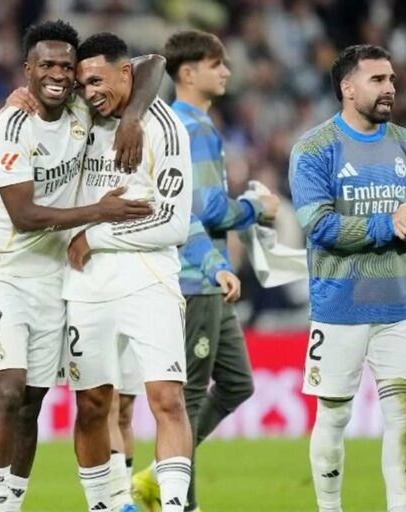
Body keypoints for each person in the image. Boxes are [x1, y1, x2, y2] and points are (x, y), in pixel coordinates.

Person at [0, 20, 166, 510]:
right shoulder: (11, 126)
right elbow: (25, 214)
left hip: (54, 280)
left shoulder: (80, 106)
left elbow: (154, 64)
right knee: (8, 392)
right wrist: (100, 212)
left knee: (32, 401)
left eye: (65, 66)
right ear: (27, 70)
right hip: (2, 276)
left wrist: (131, 118)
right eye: (46, 65)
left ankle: (9, 503)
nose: (57, 74)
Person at [288, 44, 406, 512]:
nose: (390, 88)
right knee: (333, 416)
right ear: (347, 88)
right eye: (377, 80)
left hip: (399, 304)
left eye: (391, 79)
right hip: (339, 305)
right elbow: (320, 225)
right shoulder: (314, 148)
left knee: (404, 416)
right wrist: (387, 225)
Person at [133, 29, 272, 512]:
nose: (227, 72)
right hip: (196, 276)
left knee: (237, 382)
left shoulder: (180, 123)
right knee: (188, 398)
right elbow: (204, 208)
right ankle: (179, 502)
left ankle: (157, 475)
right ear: (187, 73)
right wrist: (256, 206)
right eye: (217, 64)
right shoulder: (190, 127)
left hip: (207, 276)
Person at [64, 32, 196, 512]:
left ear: (126, 74)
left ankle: (176, 506)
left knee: (165, 399)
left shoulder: (166, 127)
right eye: (82, 82)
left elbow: (174, 222)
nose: (88, 90)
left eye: (97, 79)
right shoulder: (80, 118)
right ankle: (107, 505)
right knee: (93, 403)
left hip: (148, 277)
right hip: (86, 283)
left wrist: (94, 235)